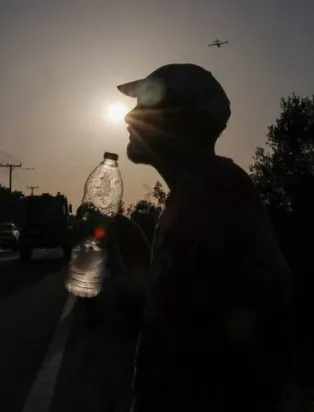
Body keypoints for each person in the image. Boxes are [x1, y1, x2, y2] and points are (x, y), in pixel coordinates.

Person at [113, 63, 294, 412]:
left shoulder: (221, 191)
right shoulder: (187, 195)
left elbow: (271, 308)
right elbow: (177, 295)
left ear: (184, 121)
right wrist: (126, 237)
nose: (128, 117)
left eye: (146, 103)